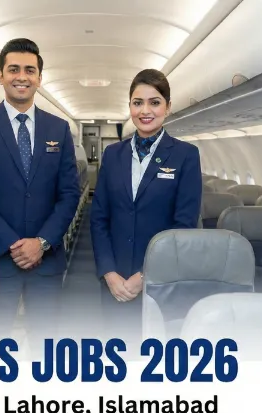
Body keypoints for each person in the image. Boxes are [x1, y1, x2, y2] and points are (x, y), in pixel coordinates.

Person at [0, 38, 80, 350]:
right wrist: (14, 244)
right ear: (1, 76)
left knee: (45, 344)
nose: (21, 76)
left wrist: (41, 242)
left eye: (29, 70)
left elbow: (69, 194)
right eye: (13, 69)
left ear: (40, 77)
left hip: (47, 259)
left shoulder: (58, 129)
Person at [90, 69, 202, 344]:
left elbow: (183, 226)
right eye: (137, 102)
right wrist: (109, 272)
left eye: (154, 102)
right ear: (129, 106)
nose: (145, 110)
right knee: (116, 359)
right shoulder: (113, 154)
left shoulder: (186, 155)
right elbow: (99, 218)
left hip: (160, 282)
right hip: (114, 282)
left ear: (167, 106)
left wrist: (144, 276)